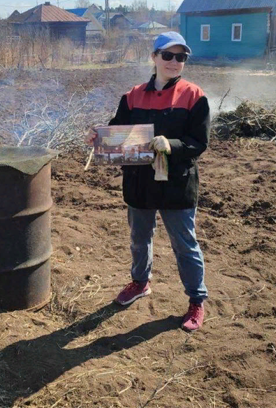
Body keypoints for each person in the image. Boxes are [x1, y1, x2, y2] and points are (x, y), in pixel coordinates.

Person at [87, 32, 210, 332]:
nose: (174, 62)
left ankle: (197, 300)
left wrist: (173, 145)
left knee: (185, 245)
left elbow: (199, 143)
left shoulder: (194, 96)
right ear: (154, 57)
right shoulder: (133, 95)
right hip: (139, 182)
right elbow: (118, 131)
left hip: (176, 184)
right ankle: (140, 283)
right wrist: (100, 138)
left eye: (180, 57)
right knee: (139, 238)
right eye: (167, 55)